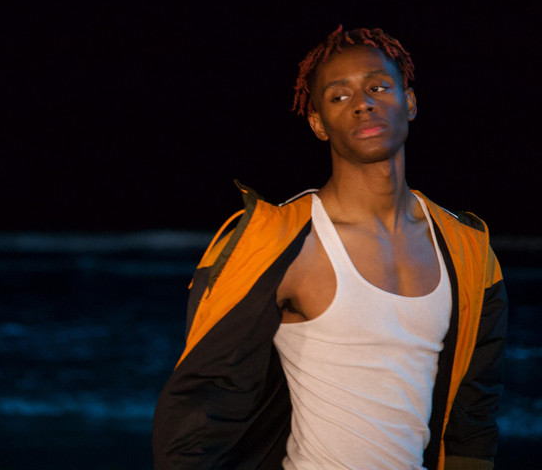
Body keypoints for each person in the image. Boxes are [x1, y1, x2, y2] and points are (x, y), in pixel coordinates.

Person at [152, 26, 507, 470]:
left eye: (378, 87)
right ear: (318, 123)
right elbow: (201, 407)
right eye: (340, 96)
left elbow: (474, 415)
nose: (363, 103)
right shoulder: (280, 242)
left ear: (410, 103)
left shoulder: (468, 250)